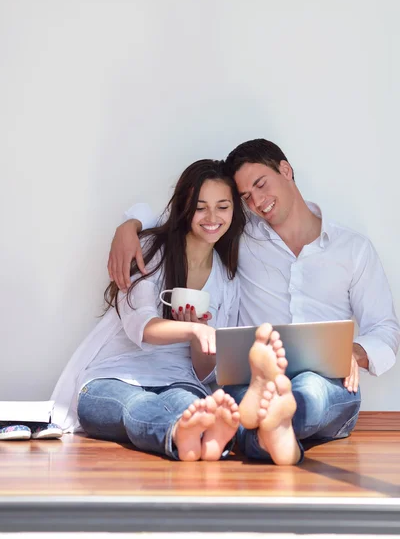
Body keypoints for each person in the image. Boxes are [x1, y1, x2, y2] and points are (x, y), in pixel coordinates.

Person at [108, 139, 399, 458]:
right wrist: (129, 227)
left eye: (261, 185)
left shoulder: (353, 249)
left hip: (326, 381)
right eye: (246, 197)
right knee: (241, 408)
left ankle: (277, 418)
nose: (258, 201)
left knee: (310, 392)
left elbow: (387, 330)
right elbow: (185, 216)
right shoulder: (239, 238)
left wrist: (353, 353)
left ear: (285, 170)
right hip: (253, 382)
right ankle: (274, 435)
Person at [52, 158, 285, 462]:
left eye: (223, 206)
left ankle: (196, 435)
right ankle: (180, 433)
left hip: (179, 380)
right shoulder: (151, 251)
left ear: (234, 211)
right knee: (134, 405)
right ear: (185, 208)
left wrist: (197, 341)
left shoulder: (227, 280)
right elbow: (143, 327)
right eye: (200, 207)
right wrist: (194, 329)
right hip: (112, 378)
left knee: (185, 403)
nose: (211, 217)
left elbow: (205, 371)